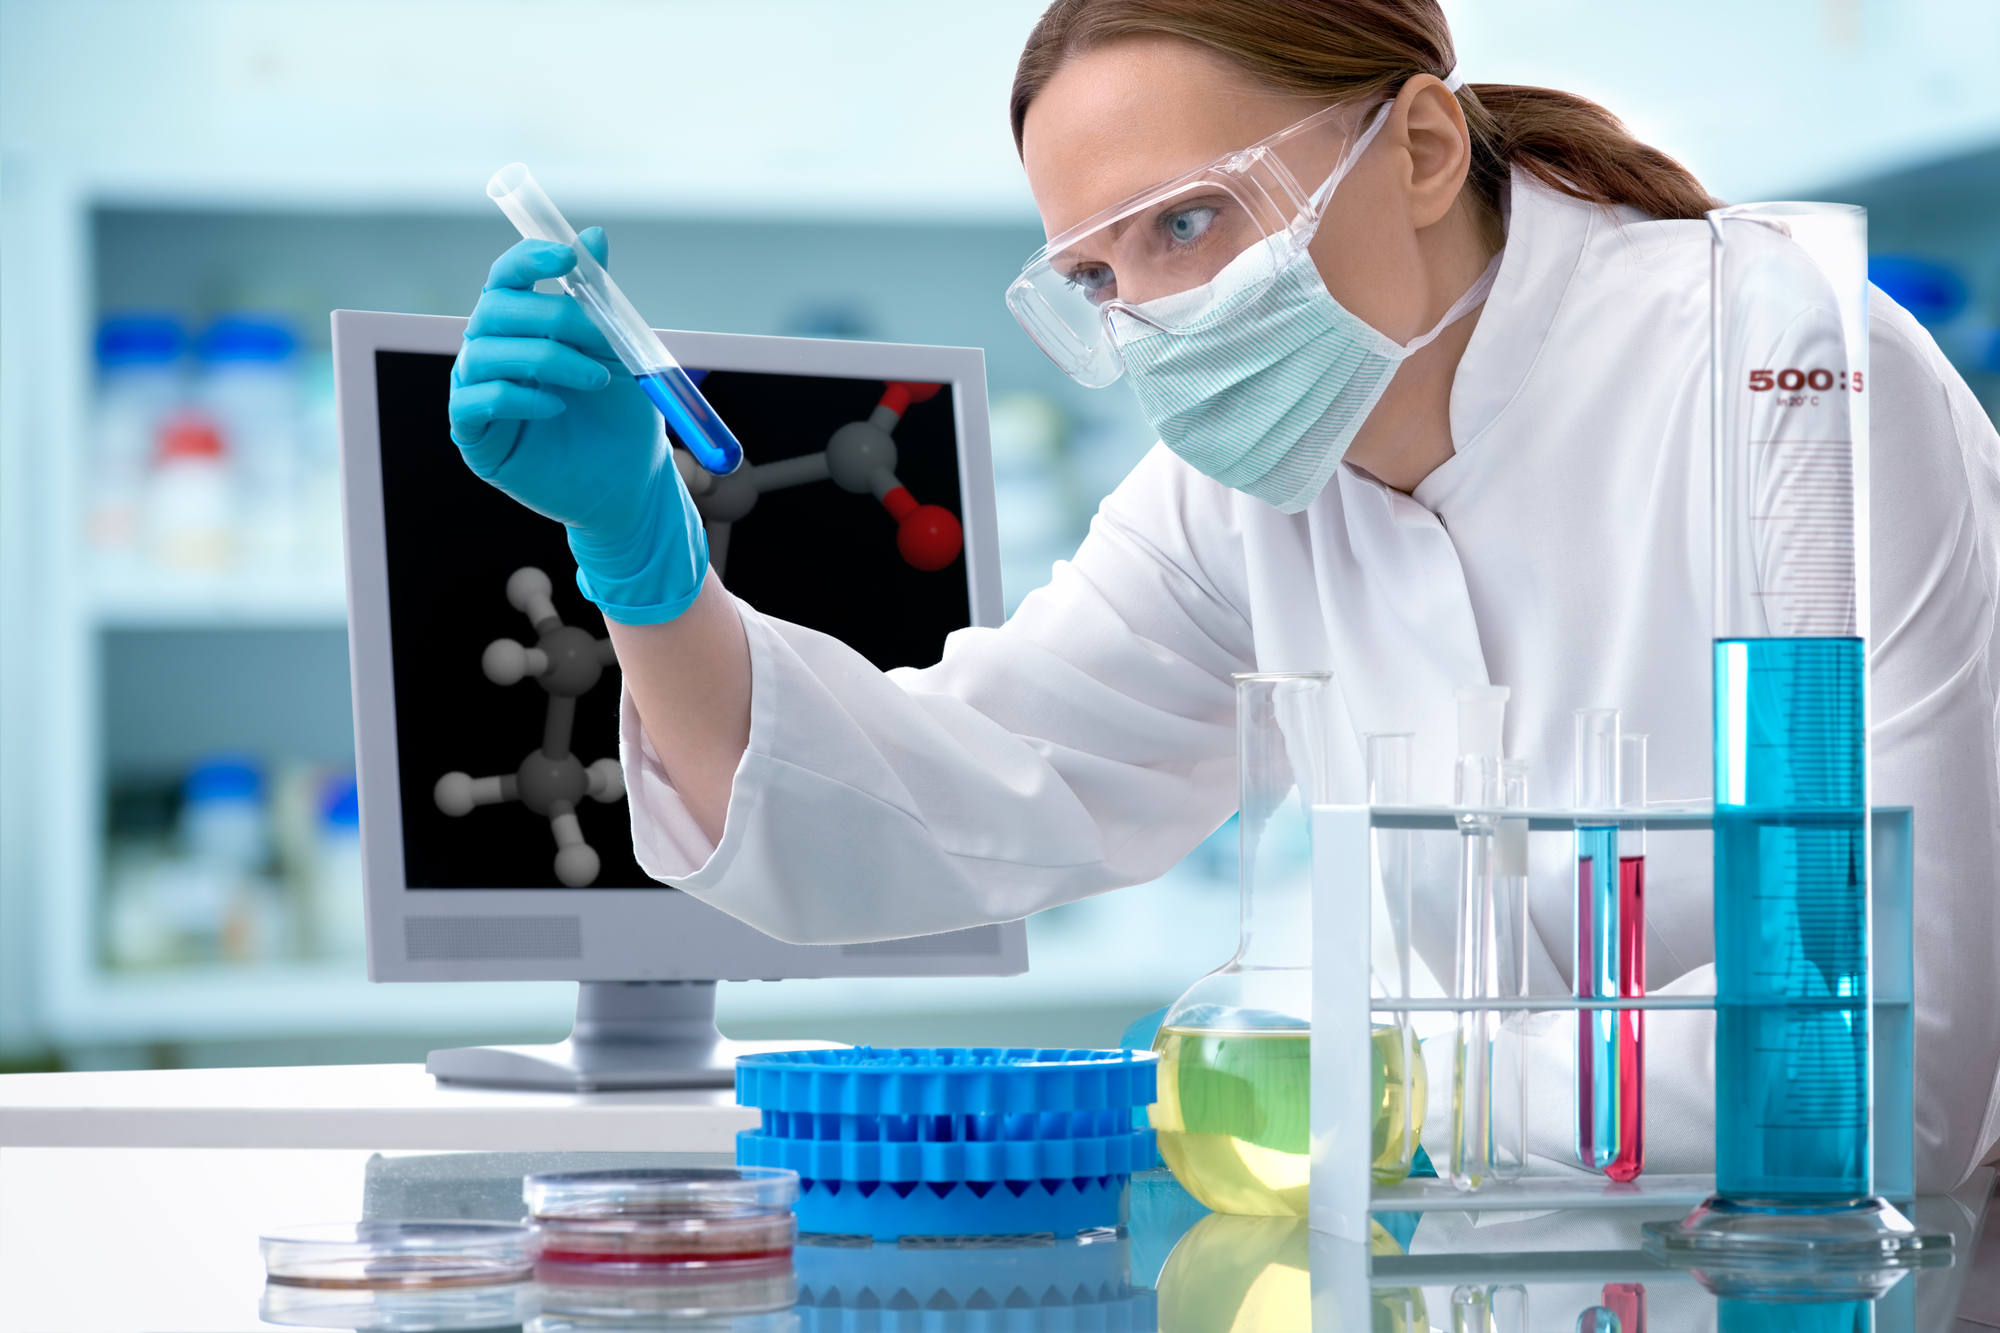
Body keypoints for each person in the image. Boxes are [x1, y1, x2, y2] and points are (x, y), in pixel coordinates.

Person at [448, 0, 2000, 1192]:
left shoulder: (1792, 377)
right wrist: (644, 561)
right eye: (1104, 278)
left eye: (1188, 221)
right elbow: (941, 797)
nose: (1162, 317)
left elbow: (1876, 1058)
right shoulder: (1245, 488)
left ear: (1418, 147)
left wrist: (1383, 1087)